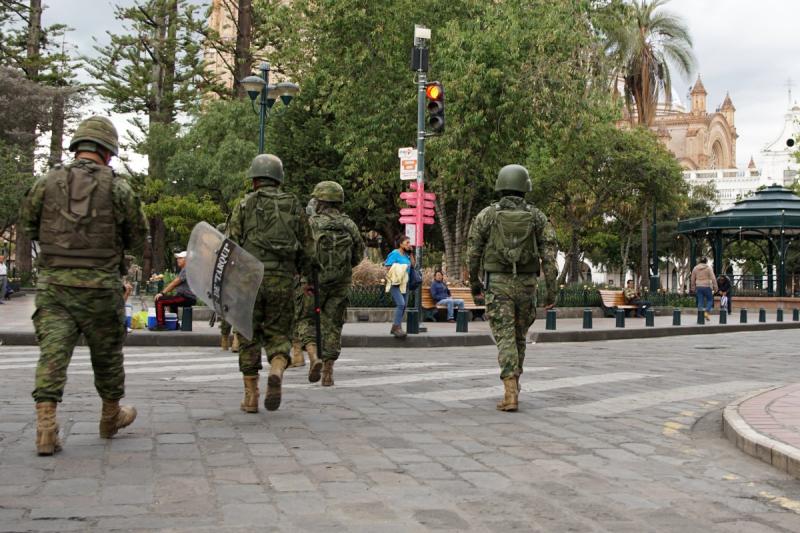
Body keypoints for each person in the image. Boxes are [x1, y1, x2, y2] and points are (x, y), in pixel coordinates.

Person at [19, 115, 149, 455]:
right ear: (107, 152)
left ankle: (46, 427)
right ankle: (110, 417)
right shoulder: (119, 188)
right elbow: (138, 236)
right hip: (101, 288)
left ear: (77, 147)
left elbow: (29, 224)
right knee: (107, 356)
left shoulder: (46, 182)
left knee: (52, 356)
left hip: (55, 287)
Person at [227, 154, 314, 413]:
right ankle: (276, 369)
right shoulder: (294, 205)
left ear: (254, 180)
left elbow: (230, 243)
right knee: (279, 333)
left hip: (249, 280)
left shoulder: (244, 205)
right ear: (279, 178)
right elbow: (308, 247)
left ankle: (251, 397)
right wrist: (308, 276)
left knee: (247, 334)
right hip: (282, 280)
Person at [467, 164, 557, 412]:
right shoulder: (538, 217)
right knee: (519, 337)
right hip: (527, 285)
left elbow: (473, 253)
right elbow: (549, 257)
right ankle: (515, 384)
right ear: (525, 187)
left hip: (498, 284)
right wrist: (552, 290)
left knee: (505, 337)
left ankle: (509, 392)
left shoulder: (487, 215)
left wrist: (475, 285)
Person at [295, 181, 364, 386]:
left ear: (319, 201)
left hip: (313, 282)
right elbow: (359, 255)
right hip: (340, 284)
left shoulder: (311, 223)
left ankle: (313, 356)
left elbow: (300, 252)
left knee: (305, 319)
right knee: (333, 325)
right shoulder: (349, 224)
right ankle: (328, 372)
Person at [152, 251, 196, 330]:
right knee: (172, 302)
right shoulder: (185, 269)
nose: (177, 260)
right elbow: (173, 284)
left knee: (159, 300)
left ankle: (160, 325)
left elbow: (174, 283)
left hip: (186, 297)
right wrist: (164, 293)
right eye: (177, 258)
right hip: (186, 296)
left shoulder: (187, 269)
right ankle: (175, 324)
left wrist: (162, 293)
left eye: (180, 258)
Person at [385, 235, 415, 339]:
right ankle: (396, 328)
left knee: (404, 306)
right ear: (401, 244)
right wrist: (401, 268)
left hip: (405, 284)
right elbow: (387, 267)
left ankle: (397, 327)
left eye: (409, 242)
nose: (409, 244)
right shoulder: (394, 253)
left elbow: (413, 265)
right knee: (401, 304)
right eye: (407, 243)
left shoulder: (406, 255)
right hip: (396, 283)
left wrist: (411, 253)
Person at [690, 256, 718, 322]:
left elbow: (692, 279)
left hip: (698, 286)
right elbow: (713, 278)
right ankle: (706, 312)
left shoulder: (695, 268)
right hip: (707, 286)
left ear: (699, 261)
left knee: (700, 301)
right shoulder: (708, 268)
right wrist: (716, 287)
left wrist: (693, 287)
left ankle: (700, 316)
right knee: (710, 300)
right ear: (706, 261)